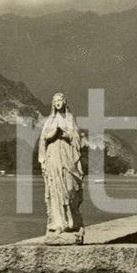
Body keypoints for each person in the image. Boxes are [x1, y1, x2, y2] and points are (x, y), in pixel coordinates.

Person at [38, 92, 84, 234]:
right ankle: (58, 223)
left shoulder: (69, 119)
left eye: (60, 100)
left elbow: (77, 139)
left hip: (67, 157)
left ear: (65, 102)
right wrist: (50, 135)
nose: (58, 103)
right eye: (56, 101)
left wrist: (65, 134)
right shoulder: (50, 121)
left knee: (70, 189)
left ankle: (73, 223)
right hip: (53, 158)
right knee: (55, 191)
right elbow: (42, 140)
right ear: (53, 103)